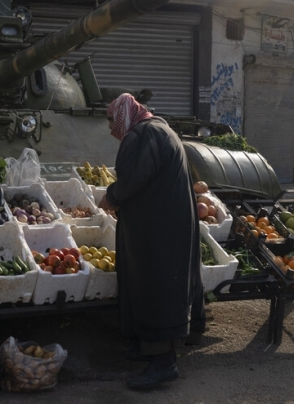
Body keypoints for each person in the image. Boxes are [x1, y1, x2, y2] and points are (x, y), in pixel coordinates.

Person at [98, 93, 203, 390]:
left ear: (124, 115)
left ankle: (164, 364)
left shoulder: (143, 135)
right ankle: (147, 348)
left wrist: (112, 197)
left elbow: (134, 179)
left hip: (159, 230)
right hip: (166, 224)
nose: (111, 129)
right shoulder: (160, 128)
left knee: (158, 287)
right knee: (158, 285)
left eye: (111, 121)